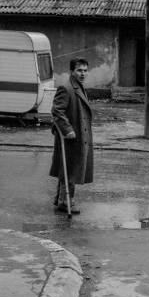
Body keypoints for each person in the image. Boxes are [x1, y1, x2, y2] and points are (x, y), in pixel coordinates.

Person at [49, 58, 94, 214]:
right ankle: (67, 201)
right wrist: (67, 130)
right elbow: (56, 110)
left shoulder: (78, 87)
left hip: (79, 135)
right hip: (71, 137)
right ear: (72, 71)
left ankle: (61, 199)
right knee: (71, 170)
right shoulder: (66, 88)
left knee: (68, 169)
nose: (82, 73)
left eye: (85, 70)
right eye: (79, 70)